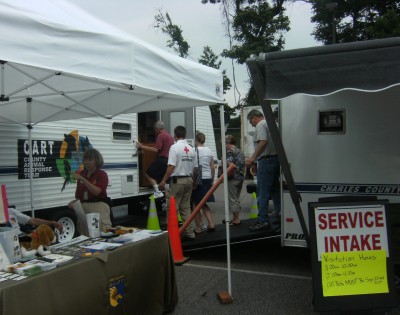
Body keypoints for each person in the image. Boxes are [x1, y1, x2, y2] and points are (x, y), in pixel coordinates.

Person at [245, 109, 281, 231]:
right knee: (275, 190)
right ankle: (280, 214)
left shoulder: (261, 124)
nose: (252, 124)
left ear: (254, 117)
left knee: (262, 192)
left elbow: (263, 142)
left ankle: (263, 220)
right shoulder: (273, 123)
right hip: (276, 160)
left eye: (251, 122)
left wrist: (253, 158)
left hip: (266, 160)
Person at [159, 126, 196, 240]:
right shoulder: (191, 148)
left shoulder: (174, 147)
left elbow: (171, 166)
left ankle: (172, 235)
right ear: (184, 134)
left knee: (172, 208)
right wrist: (193, 181)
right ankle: (190, 233)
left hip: (177, 181)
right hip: (189, 179)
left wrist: (163, 181)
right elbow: (195, 168)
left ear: (175, 135)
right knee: (186, 208)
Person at [68, 148, 112, 232]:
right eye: (85, 159)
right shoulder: (82, 174)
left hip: (98, 207)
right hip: (83, 209)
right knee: (85, 235)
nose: (87, 162)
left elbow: (97, 192)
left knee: (100, 233)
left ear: (97, 161)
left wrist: (83, 179)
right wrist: (73, 203)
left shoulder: (102, 174)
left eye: (90, 159)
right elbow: (79, 196)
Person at [136, 121, 174, 198]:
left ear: (157, 129)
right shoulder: (170, 136)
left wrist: (142, 146)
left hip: (162, 160)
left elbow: (156, 149)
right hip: (169, 161)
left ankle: (157, 191)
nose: (155, 131)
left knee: (148, 173)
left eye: (155, 129)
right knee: (165, 179)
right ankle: (168, 195)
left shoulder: (160, 136)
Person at [191, 132, 215, 234]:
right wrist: (212, 179)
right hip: (207, 178)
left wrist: (193, 181)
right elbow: (212, 167)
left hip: (198, 179)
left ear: (196, 140)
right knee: (204, 203)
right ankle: (211, 224)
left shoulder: (194, 150)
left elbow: (194, 167)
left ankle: (198, 227)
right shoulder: (209, 150)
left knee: (196, 204)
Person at [224, 134, 245, 226]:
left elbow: (229, 164)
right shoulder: (239, 150)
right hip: (240, 176)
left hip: (233, 177)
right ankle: (235, 217)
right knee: (236, 197)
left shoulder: (229, 151)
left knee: (232, 199)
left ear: (228, 143)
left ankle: (236, 219)